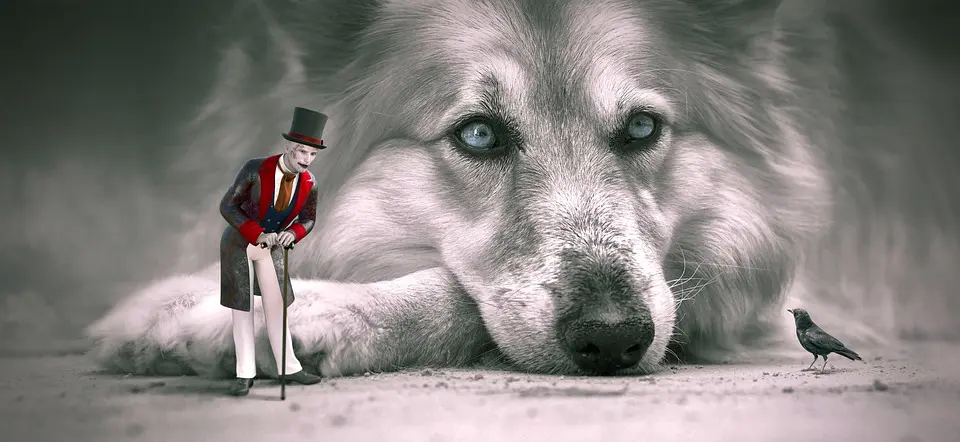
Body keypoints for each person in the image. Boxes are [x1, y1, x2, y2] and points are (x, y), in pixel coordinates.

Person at [218, 106, 327, 396]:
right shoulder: (255, 169)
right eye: (302, 152)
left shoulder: (310, 182)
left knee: (277, 306)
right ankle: (245, 374)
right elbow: (227, 206)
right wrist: (257, 233)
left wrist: (293, 233)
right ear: (289, 147)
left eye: (312, 154)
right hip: (240, 244)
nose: (307, 160)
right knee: (242, 310)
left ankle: (289, 368)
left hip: (274, 247)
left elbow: (308, 219)